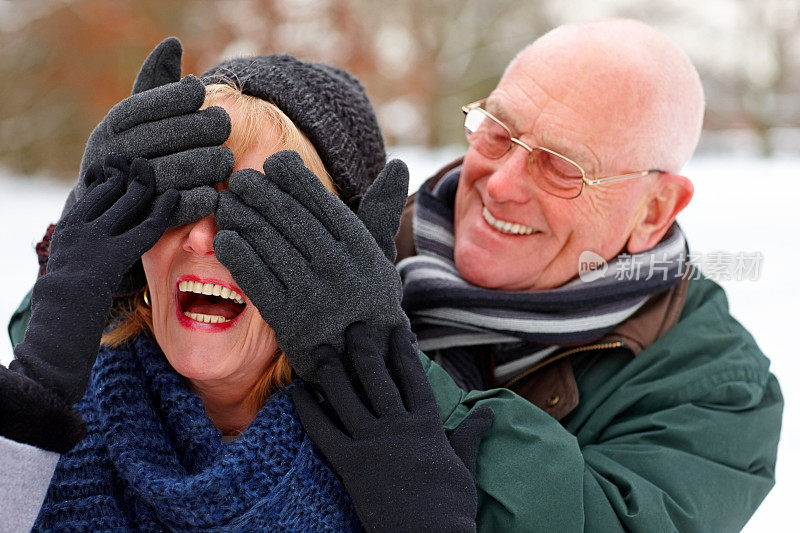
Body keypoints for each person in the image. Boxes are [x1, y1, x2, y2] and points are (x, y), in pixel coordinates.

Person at [1, 39, 498, 531]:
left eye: (257, 213)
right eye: (185, 200)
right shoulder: (45, 410)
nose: (202, 238)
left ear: (344, 265)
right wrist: (34, 396)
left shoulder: (408, 462)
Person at [388, 17, 782, 531]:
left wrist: (377, 358)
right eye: (499, 133)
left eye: (559, 166)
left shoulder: (715, 388)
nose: (501, 184)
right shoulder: (356, 251)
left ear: (654, 210)